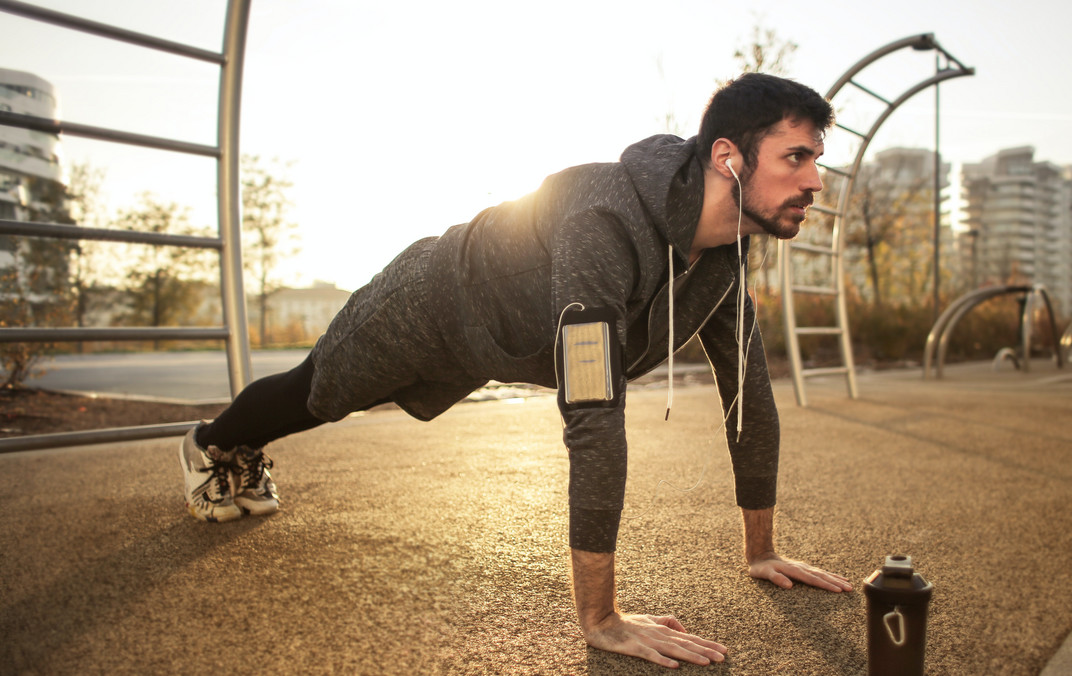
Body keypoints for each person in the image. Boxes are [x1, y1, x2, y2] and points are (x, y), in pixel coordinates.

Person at [178, 72, 853, 668]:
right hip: (431, 301)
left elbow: (751, 398)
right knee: (319, 394)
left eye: (817, 160)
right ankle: (213, 441)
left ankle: (232, 444)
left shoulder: (726, 262)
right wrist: (601, 618)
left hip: (503, 340)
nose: (815, 181)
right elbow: (593, 410)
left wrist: (760, 550)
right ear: (728, 158)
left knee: (326, 395)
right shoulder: (604, 221)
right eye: (796, 157)